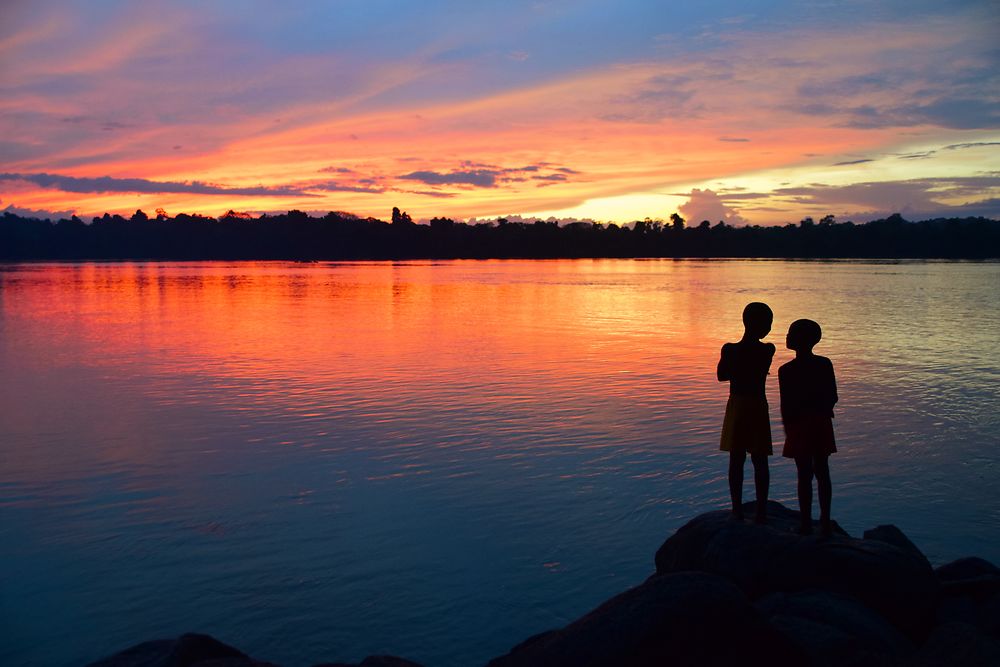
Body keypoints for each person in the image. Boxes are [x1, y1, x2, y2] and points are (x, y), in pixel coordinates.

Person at [779, 319, 838, 536]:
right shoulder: (824, 364)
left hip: (799, 425)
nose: (786, 336)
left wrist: (788, 429)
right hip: (821, 422)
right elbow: (833, 396)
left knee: (804, 474)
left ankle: (806, 523)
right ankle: (824, 522)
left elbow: (786, 405)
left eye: (790, 333)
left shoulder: (786, 370)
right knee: (822, 471)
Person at [718, 302, 775, 523]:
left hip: (738, 405)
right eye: (768, 323)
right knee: (759, 460)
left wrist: (736, 364)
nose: (769, 328)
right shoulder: (768, 349)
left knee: (736, 459)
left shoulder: (730, 349)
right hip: (757, 405)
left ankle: (737, 510)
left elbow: (722, 376)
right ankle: (760, 512)